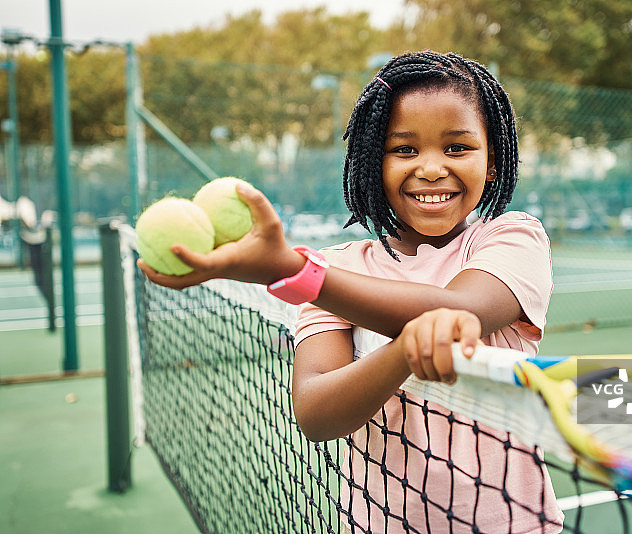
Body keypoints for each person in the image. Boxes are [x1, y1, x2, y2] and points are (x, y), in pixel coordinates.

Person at [139, 51, 563, 533]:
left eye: (457, 148)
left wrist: (294, 272)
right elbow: (316, 415)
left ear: (492, 163)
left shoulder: (512, 237)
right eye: (403, 150)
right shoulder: (341, 267)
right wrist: (403, 350)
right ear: (370, 164)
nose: (429, 168)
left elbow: (464, 309)